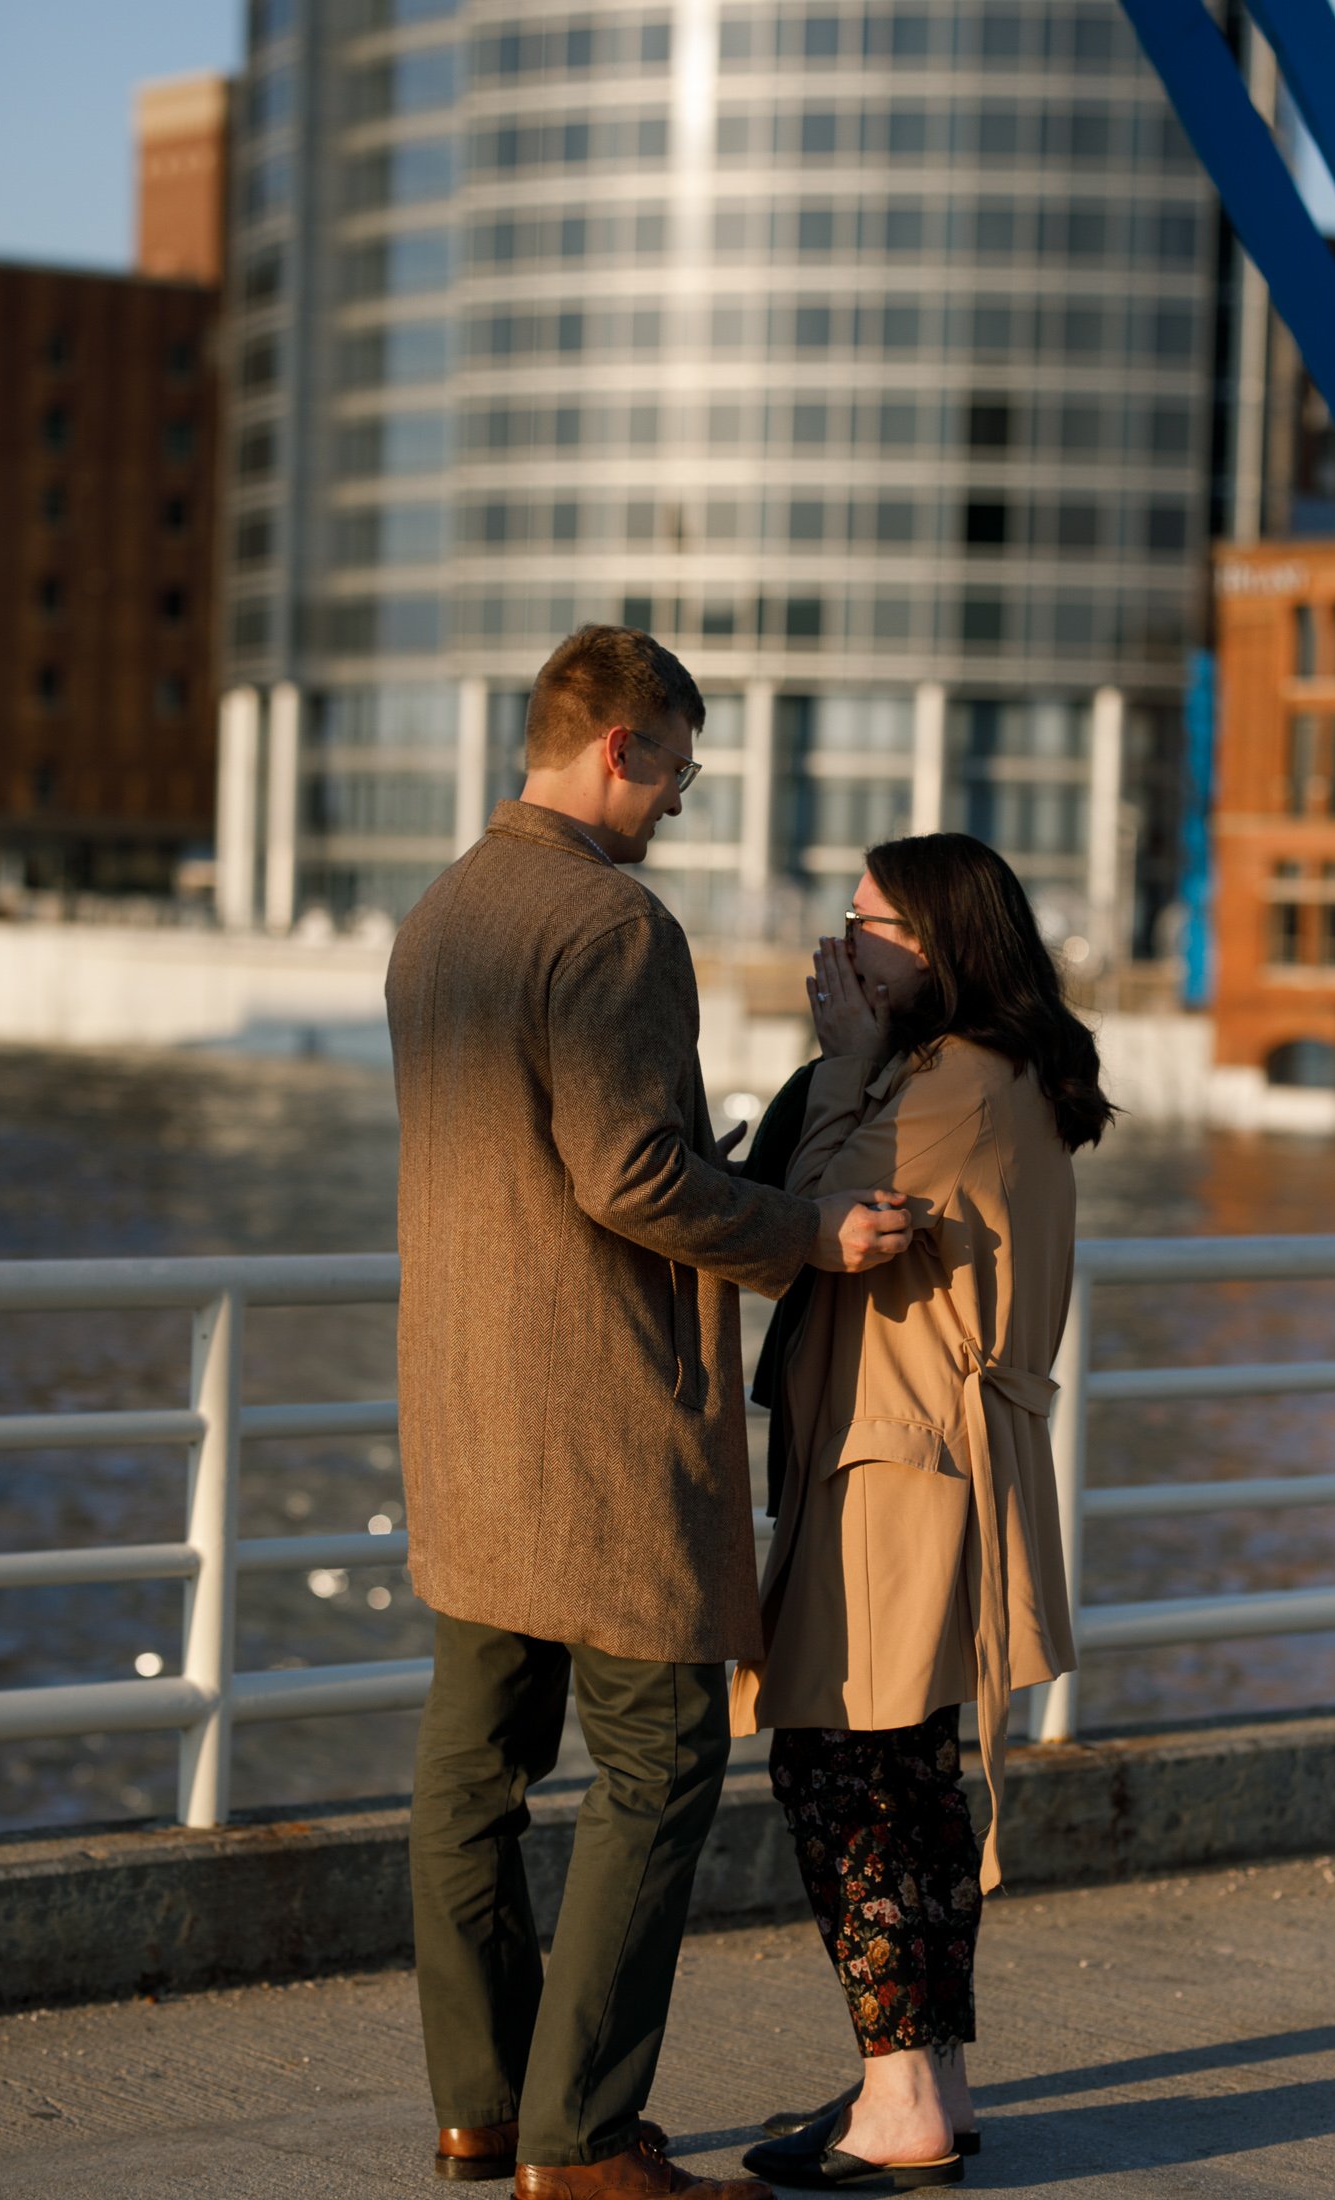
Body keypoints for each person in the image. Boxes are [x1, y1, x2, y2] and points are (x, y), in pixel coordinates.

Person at [384, 626, 913, 2200]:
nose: (680, 800)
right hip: (601, 1420)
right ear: (621, 747)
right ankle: (586, 2138)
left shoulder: (441, 914)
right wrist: (806, 1233)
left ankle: (484, 2107)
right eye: (679, 768)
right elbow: (627, 1176)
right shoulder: (611, 924)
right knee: (664, 1756)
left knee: (473, 1769)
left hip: (468, 1410)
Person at [733, 832, 1113, 2191]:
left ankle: (900, 2099)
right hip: (934, 1465)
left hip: (897, 1473)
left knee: (844, 1775)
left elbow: (798, 1218)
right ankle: (929, 2080)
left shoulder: (946, 1084)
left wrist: (838, 1062)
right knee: (908, 1778)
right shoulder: (1009, 1072)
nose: (846, 950)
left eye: (871, 925)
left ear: (942, 942)